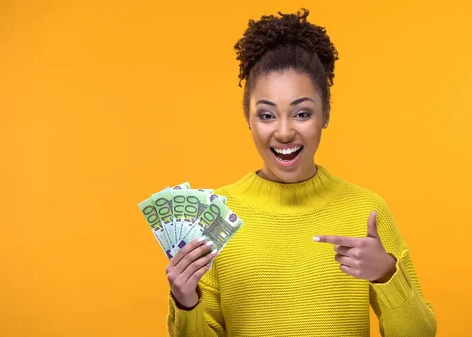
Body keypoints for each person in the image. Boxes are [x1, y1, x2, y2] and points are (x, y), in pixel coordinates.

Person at [165, 9, 437, 337]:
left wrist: (386, 274)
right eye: (266, 115)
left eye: (302, 113)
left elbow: (421, 333)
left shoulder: (365, 211)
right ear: (247, 117)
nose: (283, 132)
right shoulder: (214, 216)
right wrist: (185, 303)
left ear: (326, 114)